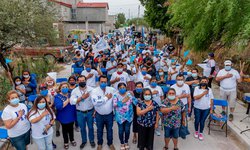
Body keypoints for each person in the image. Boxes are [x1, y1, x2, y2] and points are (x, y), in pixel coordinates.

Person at [91, 75, 116, 150]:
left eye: (105, 82)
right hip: (99, 115)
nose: (103, 83)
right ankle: (100, 144)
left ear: (107, 82)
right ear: (98, 82)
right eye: (102, 82)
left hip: (109, 114)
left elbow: (119, 95)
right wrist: (106, 98)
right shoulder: (94, 91)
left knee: (109, 130)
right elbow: (96, 103)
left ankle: (110, 143)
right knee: (99, 130)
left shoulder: (111, 89)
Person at [70, 75, 96, 149]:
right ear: (77, 81)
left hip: (90, 112)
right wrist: (82, 98)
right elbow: (72, 102)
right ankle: (84, 141)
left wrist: (95, 111)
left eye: (83, 80)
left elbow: (95, 101)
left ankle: (91, 140)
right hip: (80, 112)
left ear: (86, 80)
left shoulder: (91, 89)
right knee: (82, 128)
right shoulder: (75, 91)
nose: (82, 82)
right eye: (80, 81)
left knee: (91, 127)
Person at [113, 83, 137, 150]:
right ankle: (122, 143)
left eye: (123, 87)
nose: (122, 89)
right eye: (120, 88)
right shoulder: (116, 95)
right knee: (121, 130)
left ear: (126, 88)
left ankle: (126, 142)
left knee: (127, 130)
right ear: (118, 89)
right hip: (120, 117)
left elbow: (135, 102)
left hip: (129, 116)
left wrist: (133, 96)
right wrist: (123, 101)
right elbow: (114, 105)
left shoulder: (129, 94)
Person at [54, 82, 77, 149]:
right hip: (63, 116)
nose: (65, 88)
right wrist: (68, 100)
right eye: (63, 87)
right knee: (65, 130)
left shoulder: (71, 95)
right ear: (60, 89)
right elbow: (59, 107)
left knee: (71, 128)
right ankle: (66, 142)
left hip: (71, 115)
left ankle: (72, 139)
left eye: (66, 87)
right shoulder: (57, 97)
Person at [193, 76, 214, 141]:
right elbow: (195, 97)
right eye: (202, 81)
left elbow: (211, 100)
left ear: (207, 82)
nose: (204, 83)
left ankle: (201, 133)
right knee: (197, 120)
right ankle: (196, 131)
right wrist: (203, 93)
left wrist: (211, 109)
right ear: (200, 82)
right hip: (197, 108)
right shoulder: (196, 88)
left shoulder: (209, 89)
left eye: (205, 81)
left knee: (202, 121)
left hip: (206, 109)